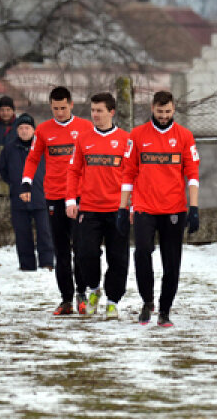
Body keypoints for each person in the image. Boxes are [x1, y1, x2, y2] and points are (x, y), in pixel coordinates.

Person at [119, 90, 200, 328]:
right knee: (142, 252)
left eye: (168, 112)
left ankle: (165, 310)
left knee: (171, 261)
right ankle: (147, 301)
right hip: (144, 206)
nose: (164, 116)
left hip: (174, 208)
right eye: (159, 111)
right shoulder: (137, 135)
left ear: (174, 109)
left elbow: (192, 174)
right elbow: (128, 173)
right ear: (152, 108)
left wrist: (193, 207)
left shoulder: (185, 136)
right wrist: (123, 208)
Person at [21, 86, 94, 314]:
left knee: (81, 248)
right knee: (60, 250)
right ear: (50, 107)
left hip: (81, 195)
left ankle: (82, 293)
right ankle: (66, 299)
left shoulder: (84, 127)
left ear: (71, 105)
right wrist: (26, 182)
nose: (60, 112)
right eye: (55, 108)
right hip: (54, 195)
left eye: (63, 108)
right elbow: (33, 158)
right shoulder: (43, 130)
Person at [66, 92, 131, 319]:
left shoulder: (125, 139)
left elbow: (133, 174)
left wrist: (131, 205)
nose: (95, 115)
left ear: (111, 112)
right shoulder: (83, 139)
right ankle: (94, 289)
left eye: (99, 111)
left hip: (117, 209)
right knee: (85, 253)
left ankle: (113, 301)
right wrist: (70, 199)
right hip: (90, 208)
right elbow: (73, 171)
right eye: (93, 110)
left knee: (118, 258)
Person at [0, 113, 54, 272]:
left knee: (45, 232)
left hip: (42, 196)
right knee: (22, 234)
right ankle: (27, 265)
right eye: (21, 128)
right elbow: (3, 170)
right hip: (19, 197)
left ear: (34, 130)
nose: (24, 131)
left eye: (27, 128)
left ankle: (47, 263)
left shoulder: (43, 147)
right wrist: (16, 184)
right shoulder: (9, 148)